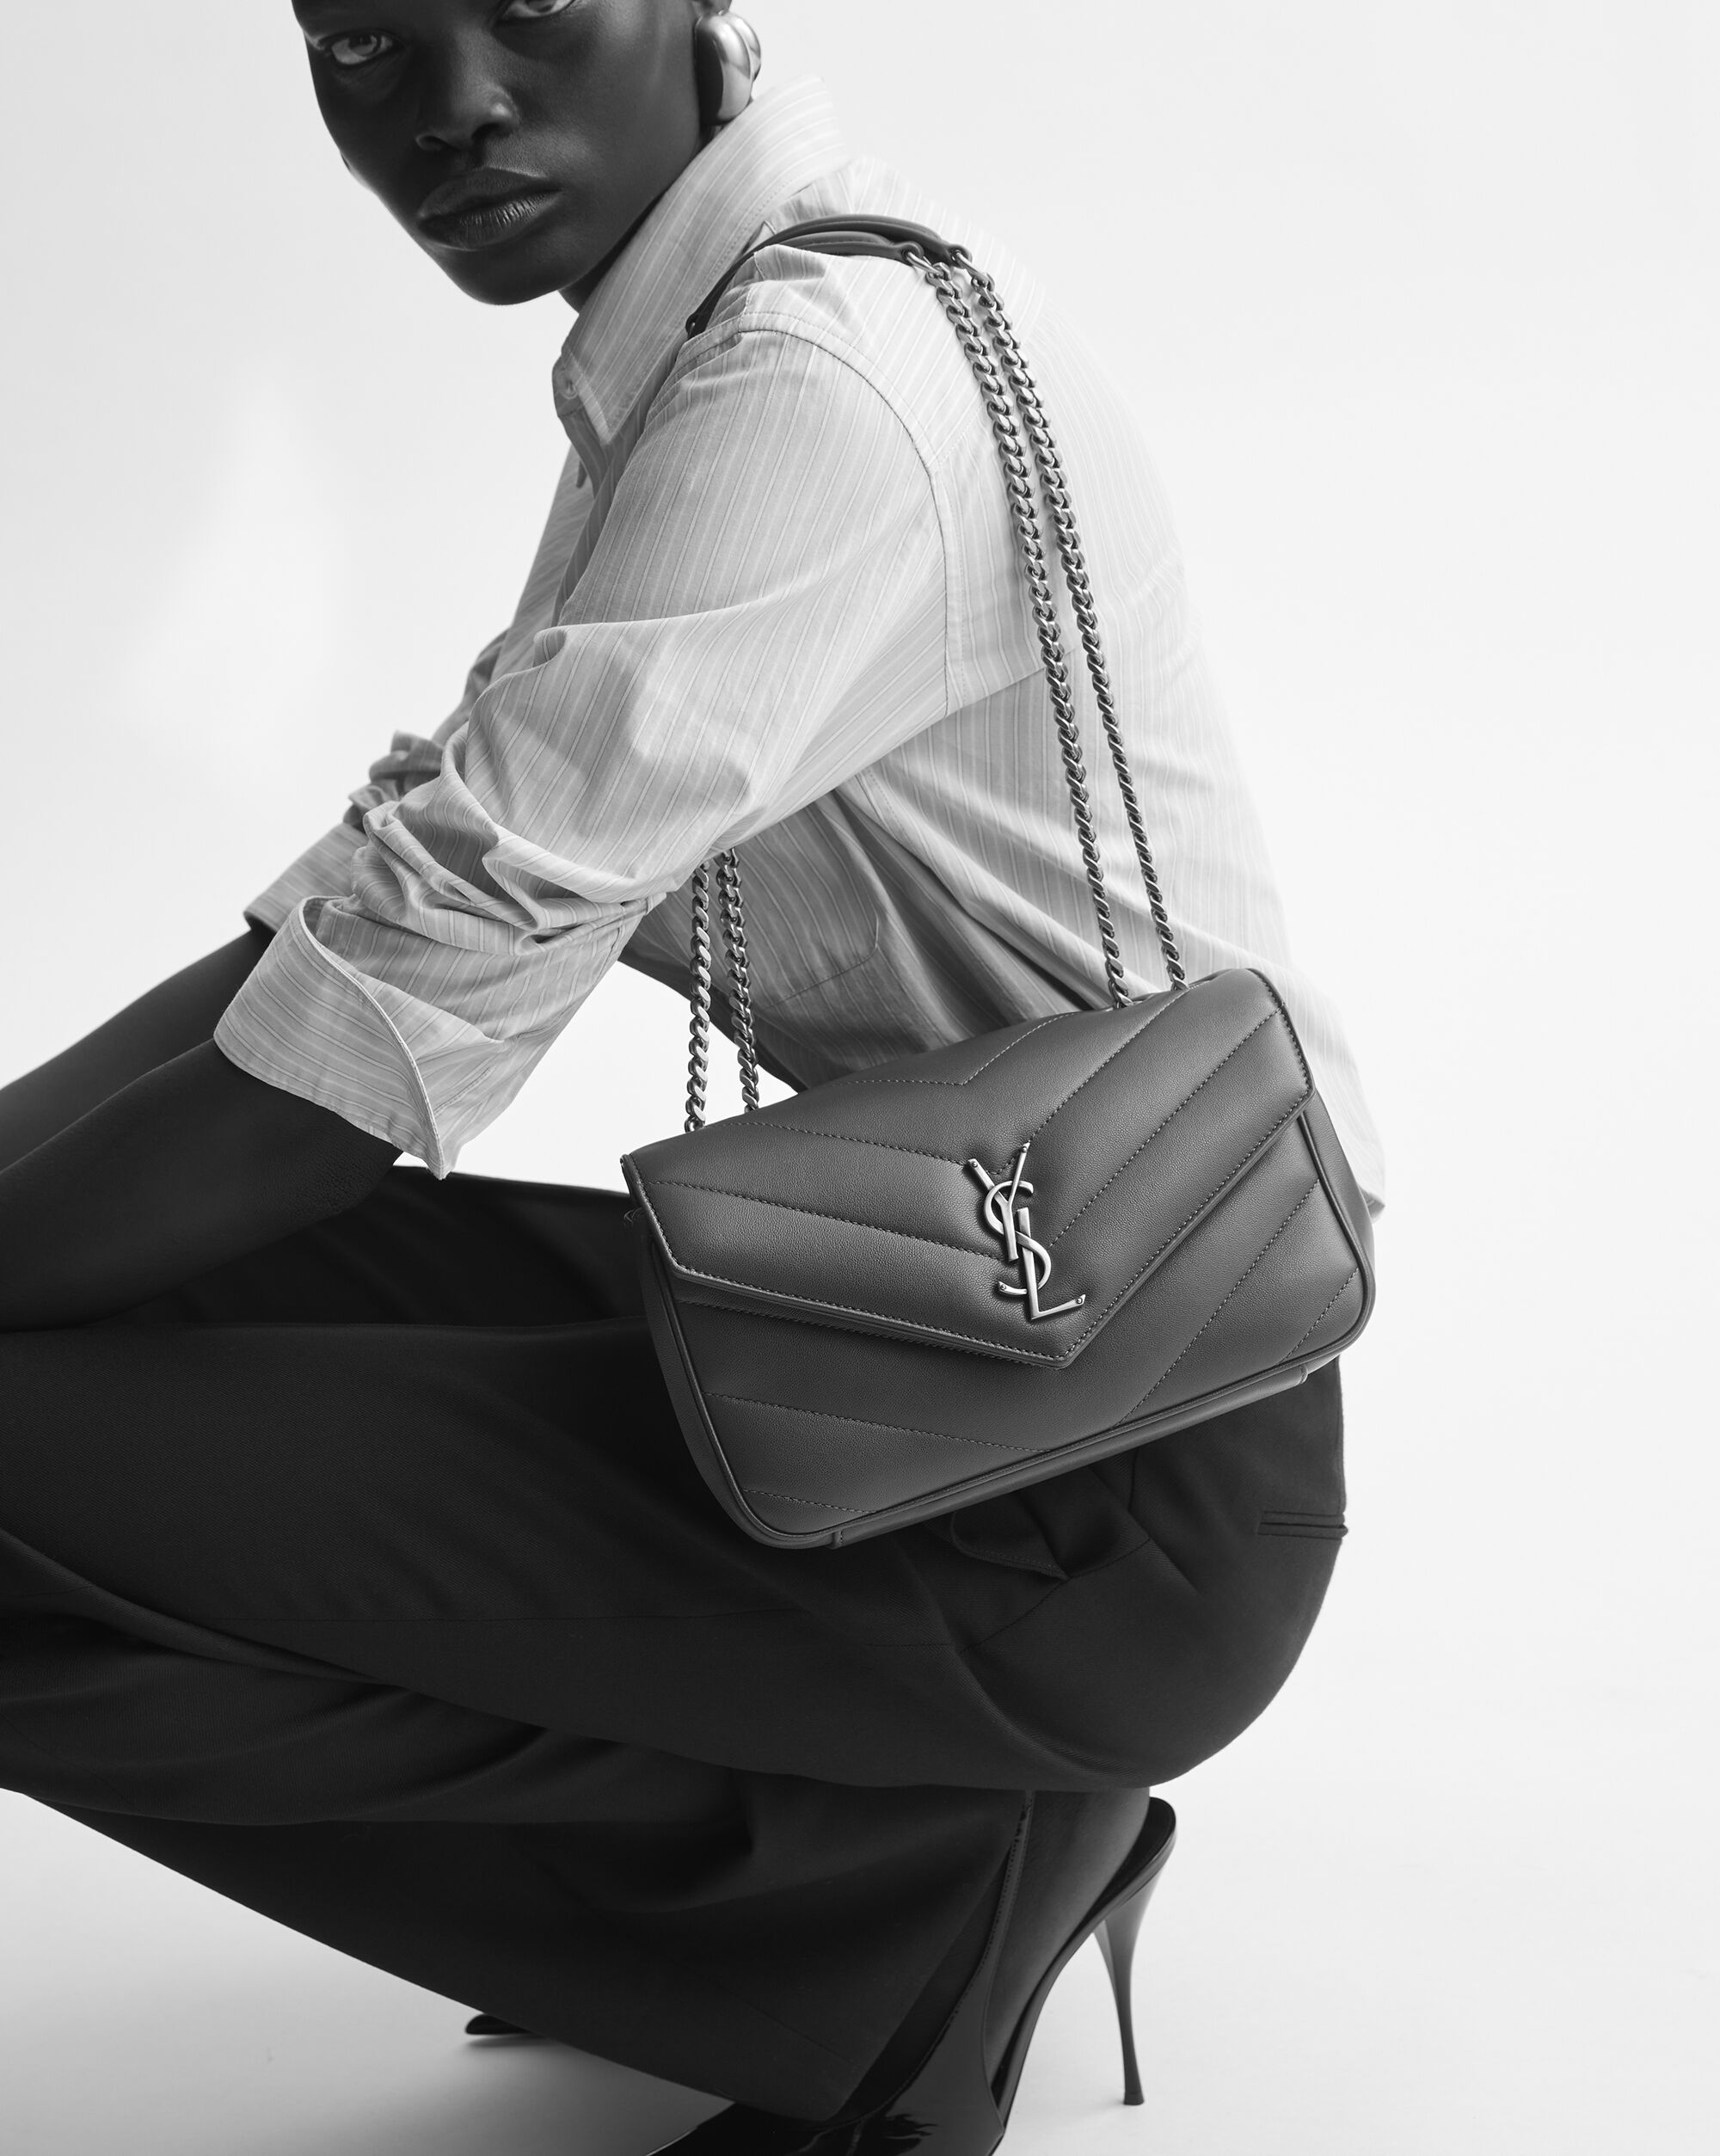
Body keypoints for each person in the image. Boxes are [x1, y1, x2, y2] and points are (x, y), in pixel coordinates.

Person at [0, 4, 1383, 2149]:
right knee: (145, 1295)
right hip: (947, 1360)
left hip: (1089, 1488)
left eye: (535, 1)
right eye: (363, 40)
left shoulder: (814, 385)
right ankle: (912, 1866)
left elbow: (362, 1040)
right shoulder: (734, 328)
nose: (454, 106)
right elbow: (372, 930)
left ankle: (898, 1925)